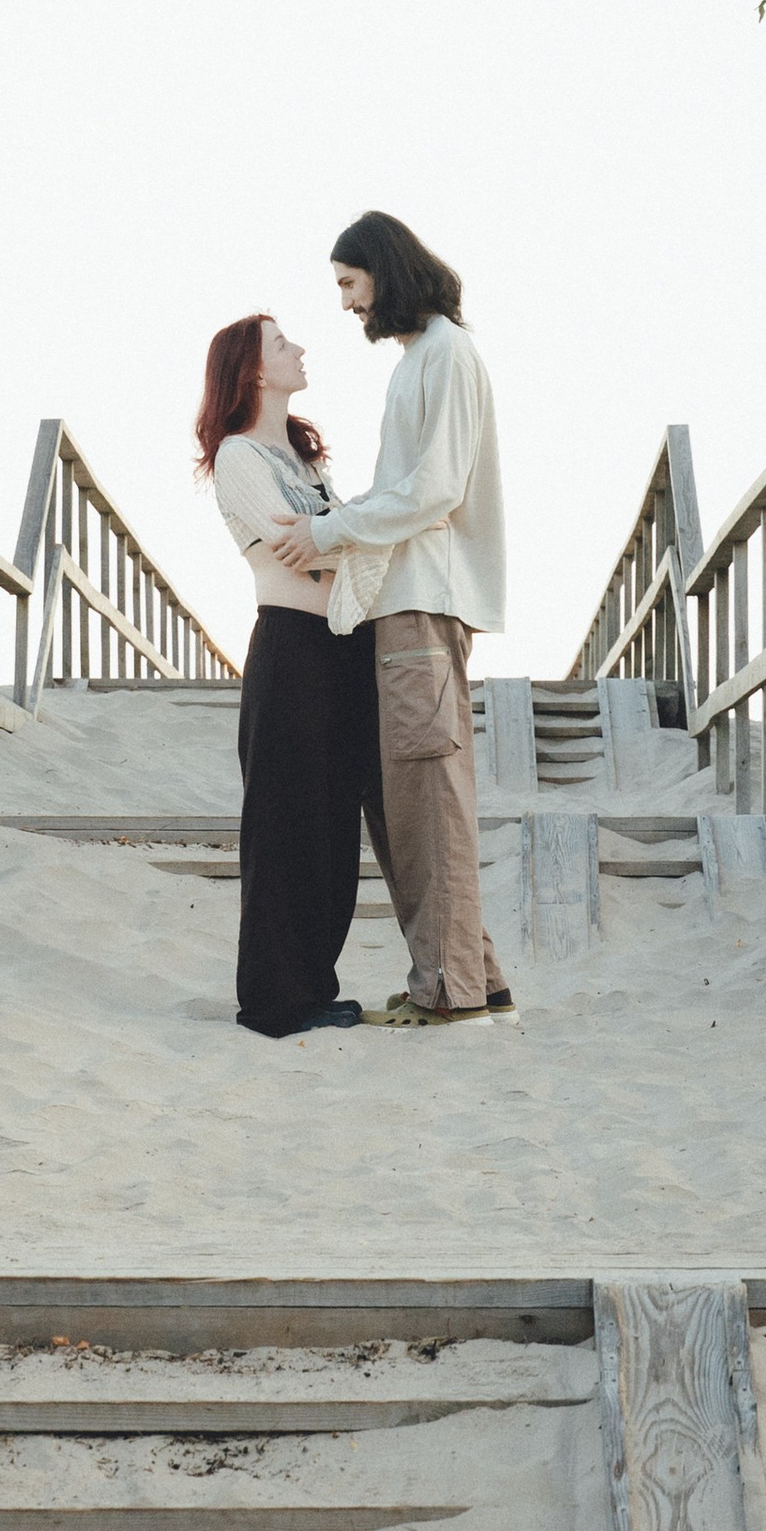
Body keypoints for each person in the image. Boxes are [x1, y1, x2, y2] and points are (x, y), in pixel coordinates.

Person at [263, 211, 512, 1026]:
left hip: (421, 604)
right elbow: (409, 488)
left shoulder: (444, 353)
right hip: (402, 604)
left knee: (425, 804)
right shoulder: (423, 359)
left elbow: (434, 490)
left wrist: (328, 531)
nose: (344, 305)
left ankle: (449, 996)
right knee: (406, 799)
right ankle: (476, 980)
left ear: (384, 272)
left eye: (349, 284)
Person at [197, 311, 376, 1039]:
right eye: (282, 344)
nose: (300, 349)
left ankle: (315, 987)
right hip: (292, 649)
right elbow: (298, 549)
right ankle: (274, 1001)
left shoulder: (307, 462)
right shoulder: (239, 456)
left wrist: (348, 538)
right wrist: (357, 538)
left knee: (333, 826)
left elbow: (336, 541)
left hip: (346, 647)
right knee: (283, 826)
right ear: (254, 369)